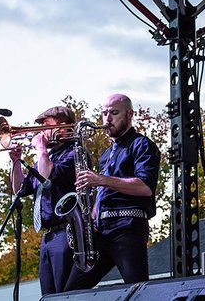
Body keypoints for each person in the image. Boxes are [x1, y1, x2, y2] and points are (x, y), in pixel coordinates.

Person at [64, 93, 161, 290]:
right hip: (101, 232)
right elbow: (103, 193)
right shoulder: (106, 154)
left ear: (129, 114)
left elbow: (145, 187)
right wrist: (89, 221)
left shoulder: (141, 144)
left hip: (127, 229)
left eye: (114, 113)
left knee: (138, 290)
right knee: (71, 292)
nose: (107, 119)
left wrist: (100, 179)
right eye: (104, 113)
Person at [9, 106, 77, 295]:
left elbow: (47, 175)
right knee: (47, 295)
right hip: (47, 236)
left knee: (64, 295)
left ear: (63, 127)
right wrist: (16, 161)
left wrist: (40, 148)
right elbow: (20, 189)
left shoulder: (74, 153)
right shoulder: (46, 157)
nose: (41, 132)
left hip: (65, 233)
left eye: (46, 126)